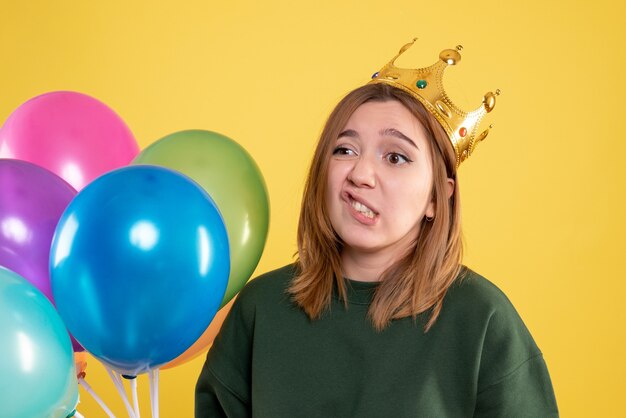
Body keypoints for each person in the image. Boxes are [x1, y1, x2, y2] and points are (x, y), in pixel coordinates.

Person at [195, 40, 559, 417]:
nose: (361, 174)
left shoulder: (483, 320)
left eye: (396, 157)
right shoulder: (261, 309)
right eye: (345, 150)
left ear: (438, 196)